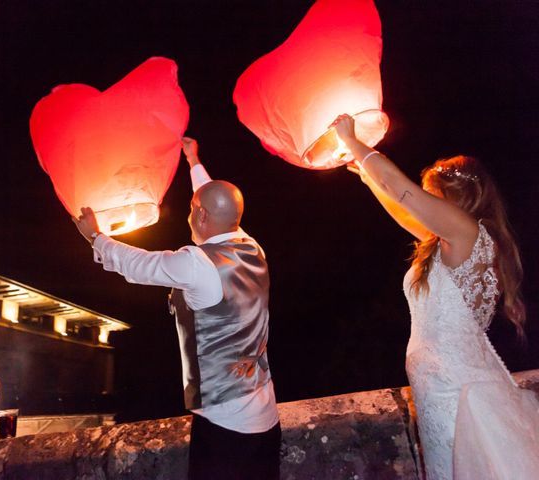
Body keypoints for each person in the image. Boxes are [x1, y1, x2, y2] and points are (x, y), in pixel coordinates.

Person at [332, 114, 539, 480]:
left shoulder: (466, 230)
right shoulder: (448, 240)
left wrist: (356, 143)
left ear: (454, 198)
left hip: (455, 389)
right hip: (435, 388)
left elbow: (402, 190)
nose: (425, 203)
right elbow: (401, 208)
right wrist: (367, 176)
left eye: (432, 195)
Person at [73, 137, 281, 480]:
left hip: (224, 426)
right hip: (265, 418)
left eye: (191, 210)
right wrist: (193, 160)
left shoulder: (198, 263)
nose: (189, 214)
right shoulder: (251, 246)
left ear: (199, 215)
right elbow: (215, 202)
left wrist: (96, 238)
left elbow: (139, 264)